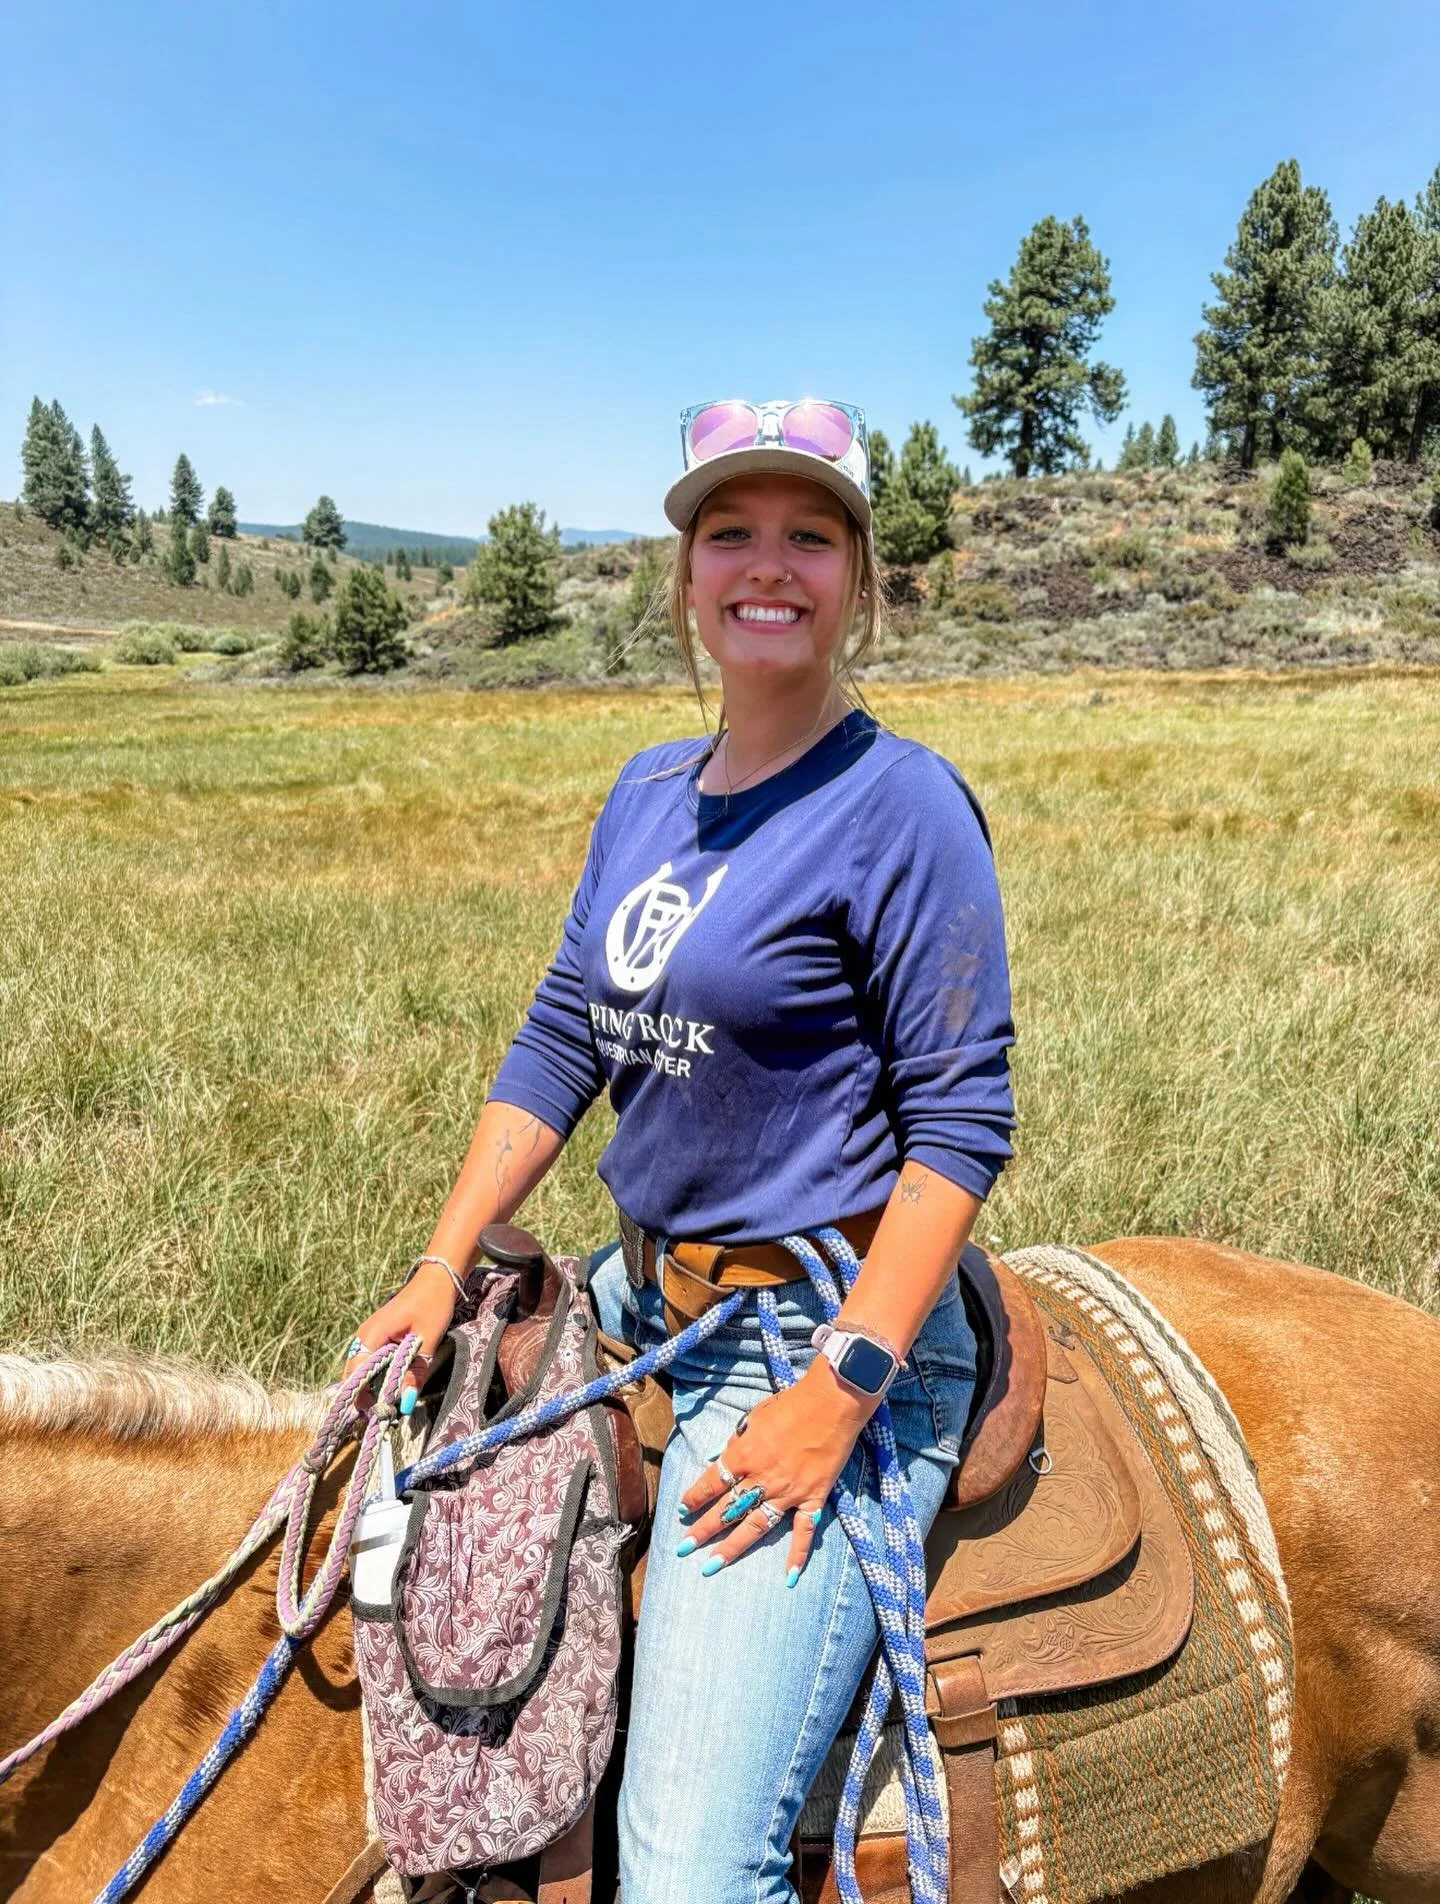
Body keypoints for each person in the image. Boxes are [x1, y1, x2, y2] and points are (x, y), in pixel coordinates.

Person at [345, 396, 1016, 1904]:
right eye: (730, 532)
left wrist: (841, 1392)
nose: (764, 565)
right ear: (687, 576)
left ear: (859, 578)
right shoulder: (646, 791)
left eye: (807, 534)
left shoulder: (899, 806)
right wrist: (442, 1263)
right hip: (639, 1296)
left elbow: (962, 1126)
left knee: (692, 1871)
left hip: (809, 1326)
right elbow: (560, 1042)